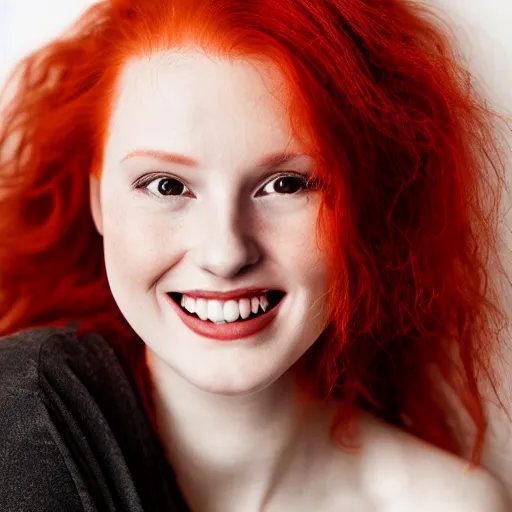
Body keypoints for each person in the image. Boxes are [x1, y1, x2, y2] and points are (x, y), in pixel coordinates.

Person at [0, 0, 510, 510]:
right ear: (98, 201)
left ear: (362, 206)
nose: (225, 253)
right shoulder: (21, 418)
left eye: (286, 184)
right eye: (166, 184)